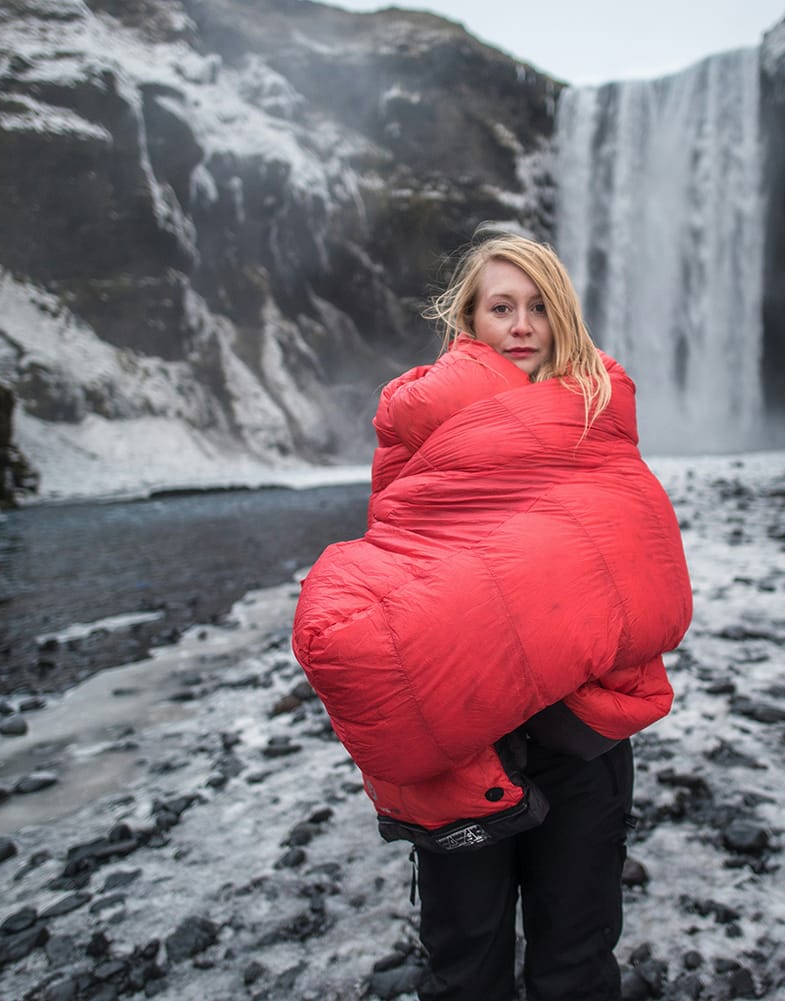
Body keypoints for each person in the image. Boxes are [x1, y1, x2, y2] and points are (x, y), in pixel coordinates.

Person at [292, 231, 693, 1001]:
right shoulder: (417, 422)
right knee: (465, 956)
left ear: (562, 317)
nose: (521, 325)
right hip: (467, 723)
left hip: (581, 725)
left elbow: (635, 549)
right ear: (469, 321)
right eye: (501, 306)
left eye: (539, 307)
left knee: (576, 951)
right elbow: (404, 542)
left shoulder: (600, 411)